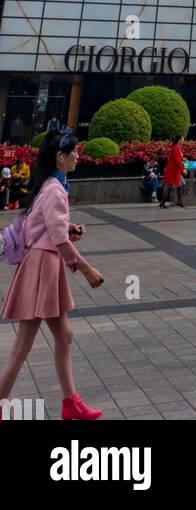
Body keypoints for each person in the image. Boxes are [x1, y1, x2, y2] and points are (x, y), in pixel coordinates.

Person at [0, 129, 105, 421]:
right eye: (74, 151)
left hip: (43, 265)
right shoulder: (55, 189)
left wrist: (67, 230)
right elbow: (58, 240)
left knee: (63, 336)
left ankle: (71, 402)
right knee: (23, 346)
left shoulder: (49, 184)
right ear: (61, 157)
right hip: (43, 267)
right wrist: (87, 269)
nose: (78, 155)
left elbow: (44, 227)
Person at [160, 135, 186, 209]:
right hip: (172, 170)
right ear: (179, 140)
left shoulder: (177, 147)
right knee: (168, 186)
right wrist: (183, 169)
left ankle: (179, 201)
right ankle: (162, 202)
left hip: (175, 170)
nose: (183, 140)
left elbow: (177, 157)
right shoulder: (176, 148)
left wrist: (183, 158)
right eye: (182, 139)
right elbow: (177, 160)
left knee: (181, 184)